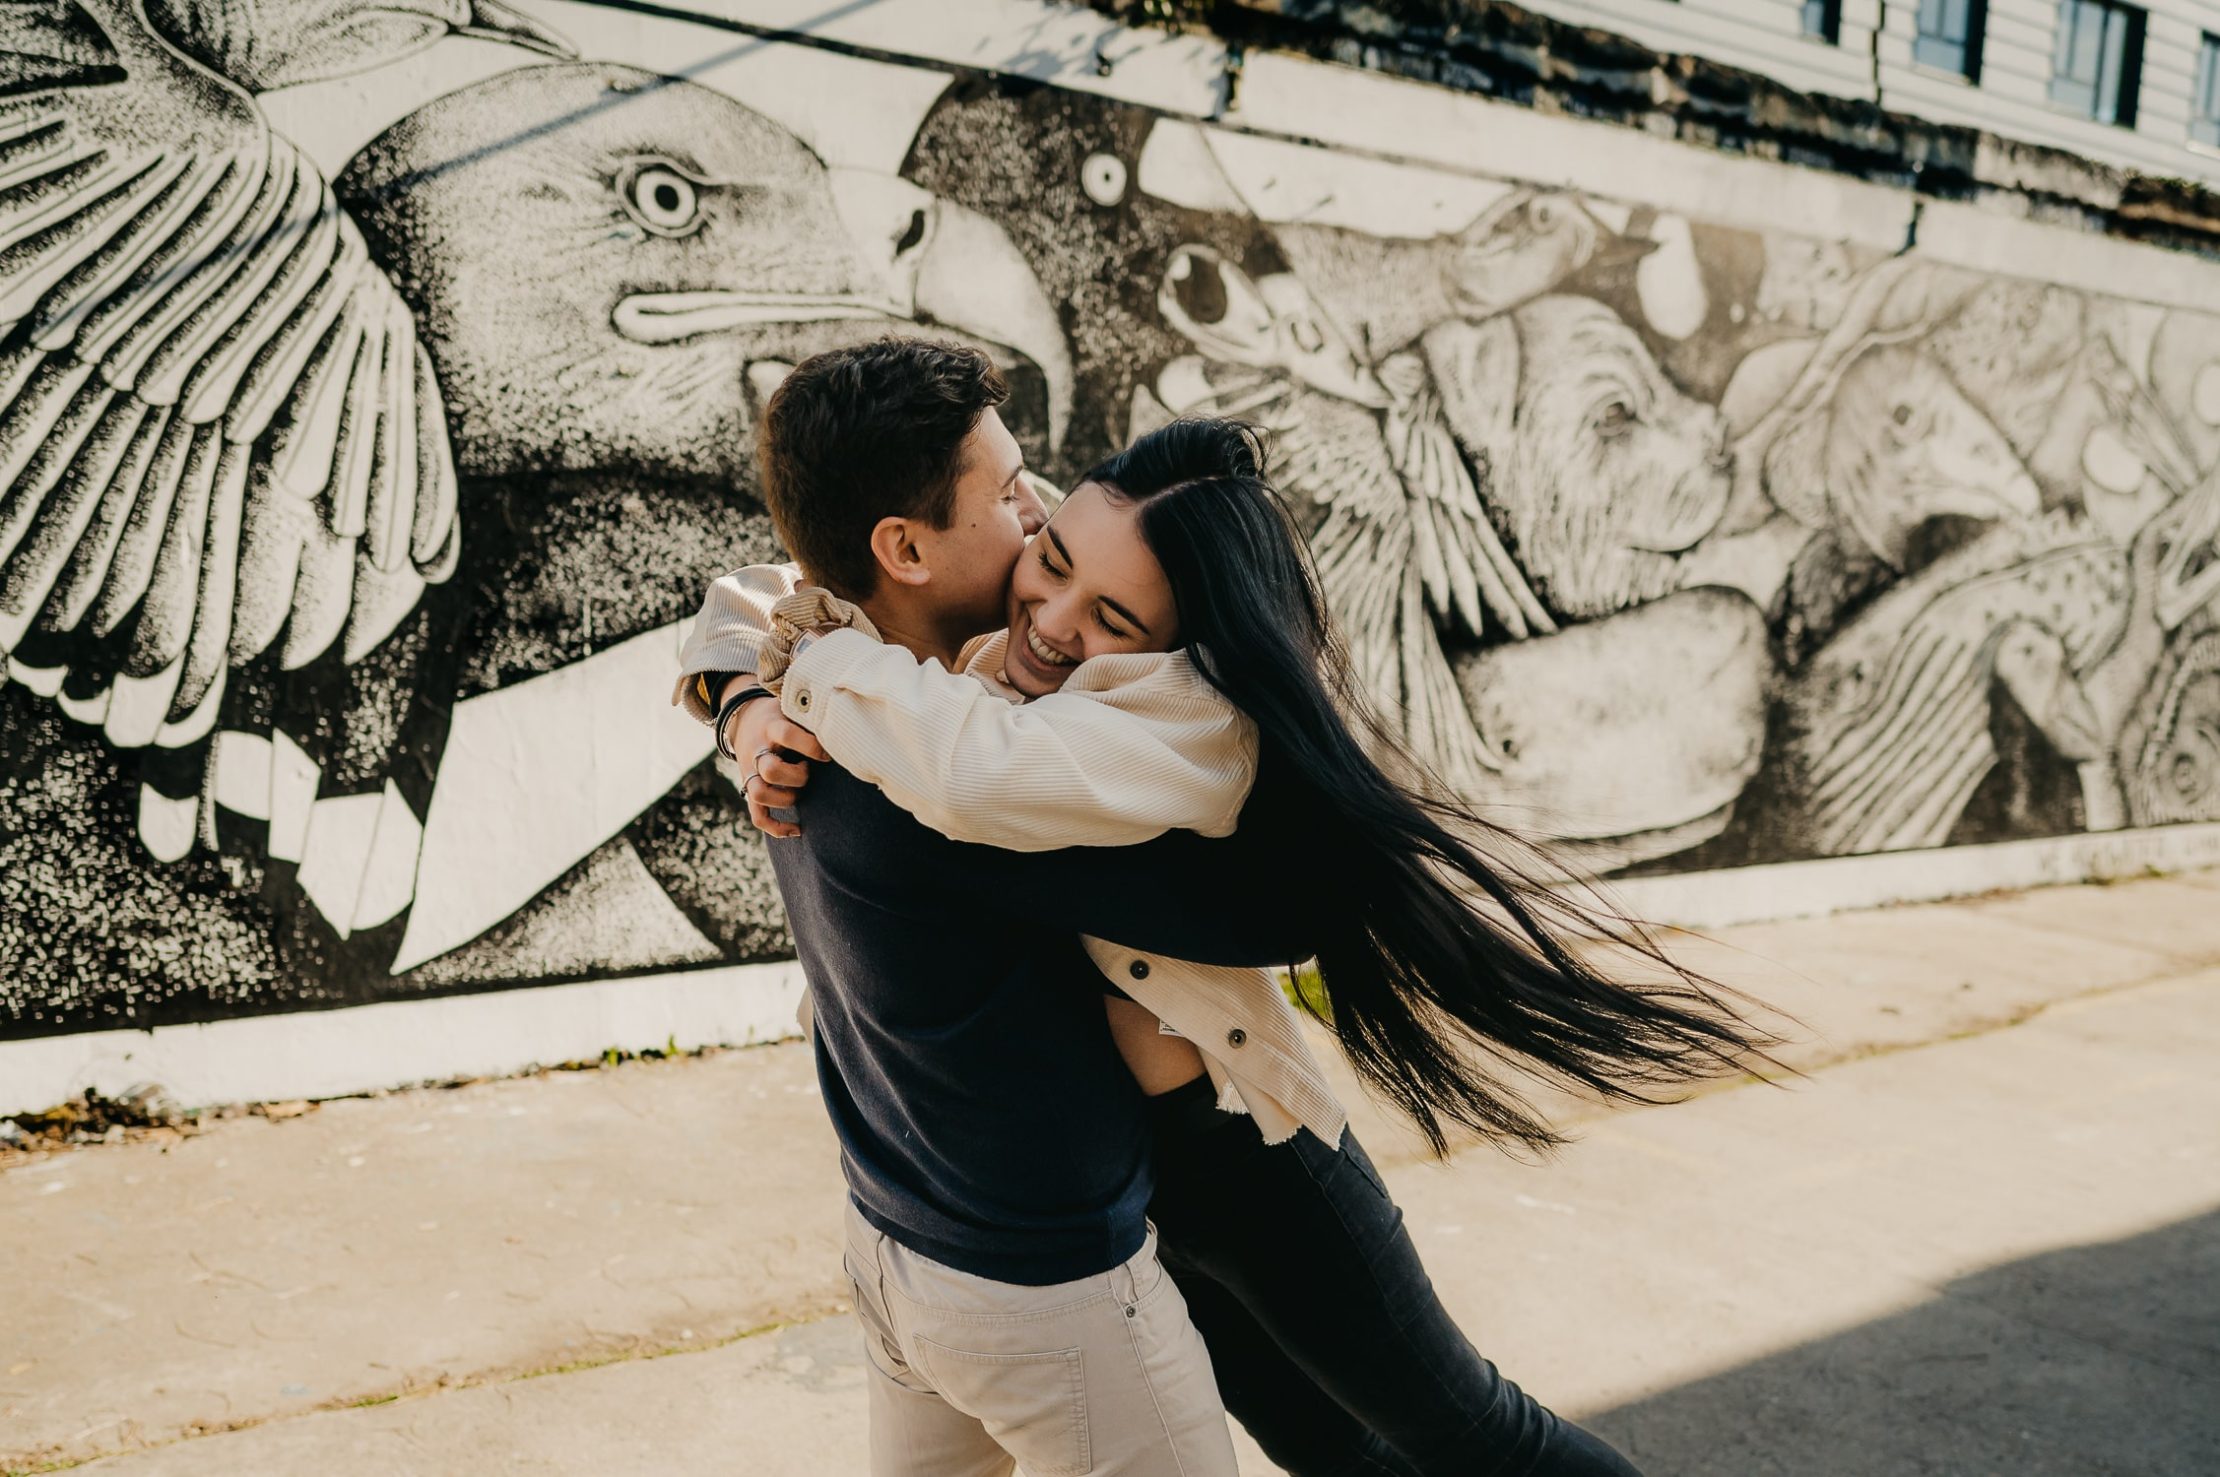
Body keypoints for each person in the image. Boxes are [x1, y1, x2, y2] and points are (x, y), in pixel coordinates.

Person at [680, 341, 1777, 1474]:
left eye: (1112, 616)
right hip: (1140, 1192)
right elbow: (772, 590)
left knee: (1463, 1429)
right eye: (1032, 529)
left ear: (1169, 637)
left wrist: (786, 682)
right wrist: (749, 700)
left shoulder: (1164, 718)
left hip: (1248, 1157)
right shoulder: (994, 625)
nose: (1050, 607)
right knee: (1334, 1455)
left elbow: (964, 772)